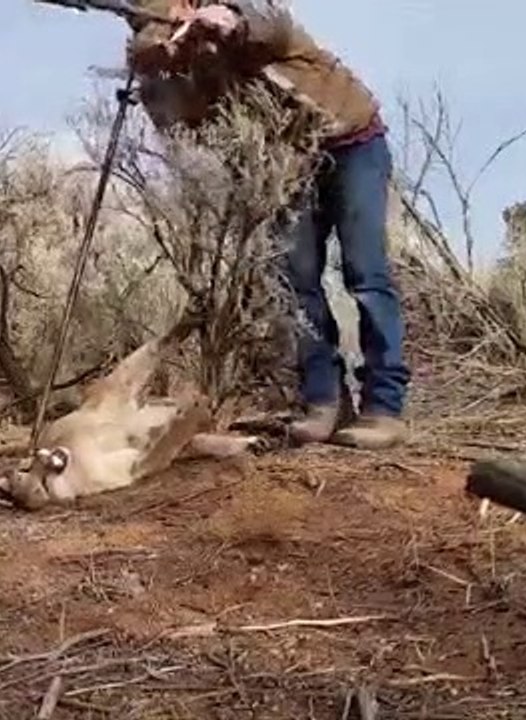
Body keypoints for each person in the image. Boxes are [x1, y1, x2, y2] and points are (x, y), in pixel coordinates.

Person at [124, 0, 412, 450]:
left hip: (352, 142)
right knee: (295, 283)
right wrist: (157, 63)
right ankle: (322, 402)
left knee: (366, 273)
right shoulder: (181, 55)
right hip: (285, 164)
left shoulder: (250, 13)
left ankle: (384, 407)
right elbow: (175, 118)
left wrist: (228, 22)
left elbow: (269, 28)